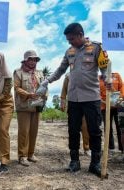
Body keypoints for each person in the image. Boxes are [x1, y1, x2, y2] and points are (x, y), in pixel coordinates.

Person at [37, 23, 109, 177]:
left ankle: (95, 163)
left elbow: (105, 67)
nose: (70, 42)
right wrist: (47, 81)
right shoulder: (69, 51)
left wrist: (107, 78)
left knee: (94, 131)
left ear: (81, 35)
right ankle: (74, 161)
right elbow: (61, 70)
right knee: (73, 130)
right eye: (68, 40)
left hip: (92, 98)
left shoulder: (97, 48)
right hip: (74, 99)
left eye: (72, 39)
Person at [14, 50, 45, 167]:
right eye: (30, 59)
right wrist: (28, 94)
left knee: (34, 131)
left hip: (37, 105)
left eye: (35, 59)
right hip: (24, 106)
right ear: (25, 60)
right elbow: (16, 88)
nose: (33, 62)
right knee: (24, 132)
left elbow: (44, 86)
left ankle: (31, 154)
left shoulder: (39, 73)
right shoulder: (18, 72)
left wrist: (44, 96)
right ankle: (22, 156)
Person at [60, 73, 91, 156]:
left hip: (86, 104)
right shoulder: (68, 76)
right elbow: (64, 90)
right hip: (73, 104)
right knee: (73, 129)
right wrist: (62, 101)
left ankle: (87, 148)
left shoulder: (88, 73)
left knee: (85, 128)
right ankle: (74, 150)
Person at [100, 72, 123, 153]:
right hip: (104, 106)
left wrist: (120, 98)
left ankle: (122, 148)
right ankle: (111, 147)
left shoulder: (116, 75)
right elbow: (96, 91)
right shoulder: (99, 78)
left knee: (120, 127)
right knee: (107, 127)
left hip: (117, 105)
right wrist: (101, 100)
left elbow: (122, 87)